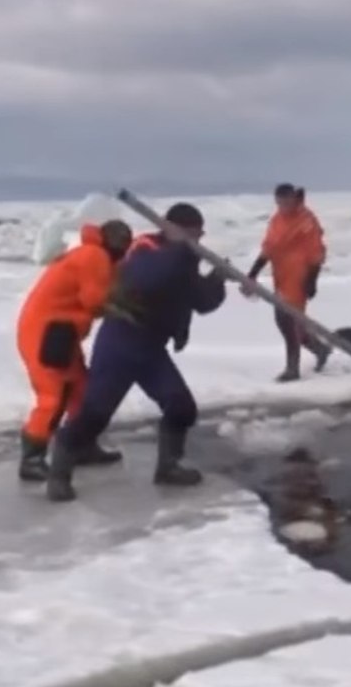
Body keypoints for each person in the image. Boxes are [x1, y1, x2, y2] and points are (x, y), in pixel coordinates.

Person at [45, 202, 228, 503]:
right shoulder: (145, 250)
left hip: (151, 351)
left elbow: (201, 301)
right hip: (120, 346)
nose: (199, 240)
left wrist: (217, 280)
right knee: (94, 415)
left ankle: (168, 467)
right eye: (194, 234)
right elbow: (148, 279)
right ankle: (59, 475)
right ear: (174, 230)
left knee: (181, 406)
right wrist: (183, 251)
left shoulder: (184, 259)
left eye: (200, 235)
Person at [14, 219, 134, 482]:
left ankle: (81, 446)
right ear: (108, 239)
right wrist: (124, 312)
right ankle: (32, 460)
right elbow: (94, 300)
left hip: (61, 333)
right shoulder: (94, 255)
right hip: (46, 335)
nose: (124, 245)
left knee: (81, 390)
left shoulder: (93, 254)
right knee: (53, 397)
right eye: (121, 240)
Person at [242, 183, 332, 382]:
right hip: (281, 276)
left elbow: (316, 251)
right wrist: (253, 273)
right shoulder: (277, 220)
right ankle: (320, 349)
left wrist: (312, 280)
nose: (283, 207)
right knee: (289, 323)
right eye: (279, 203)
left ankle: (293, 369)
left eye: (287, 202)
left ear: (294, 199)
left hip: (299, 277)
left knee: (287, 321)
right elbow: (269, 248)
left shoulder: (306, 220)